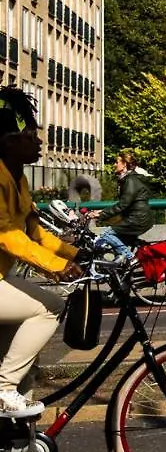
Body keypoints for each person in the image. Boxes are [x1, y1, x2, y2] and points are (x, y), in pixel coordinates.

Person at [0, 87, 84, 418]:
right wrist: (56, 267)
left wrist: (75, 254)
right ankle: (3, 389)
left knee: (24, 360)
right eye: (30, 135)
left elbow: (35, 233)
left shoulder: (18, 179)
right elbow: (7, 237)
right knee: (49, 308)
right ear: (7, 141)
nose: (38, 142)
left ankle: (15, 427)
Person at [84, 150, 152, 261]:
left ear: (124, 164)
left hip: (137, 219)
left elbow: (123, 204)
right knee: (118, 241)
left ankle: (131, 260)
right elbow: (123, 204)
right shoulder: (127, 179)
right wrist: (101, 211)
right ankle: (121, 271)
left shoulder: (130, 180)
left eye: (117, 162)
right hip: (138, 218)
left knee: (107, 234)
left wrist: (100, 215)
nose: (114, 165)